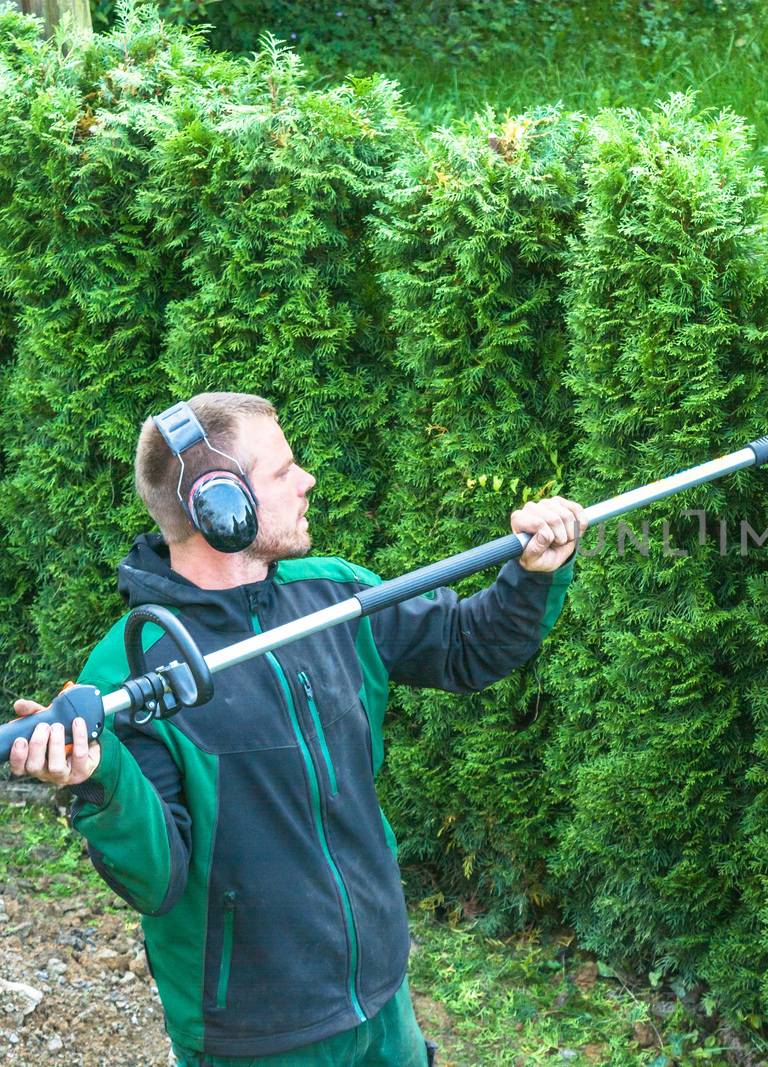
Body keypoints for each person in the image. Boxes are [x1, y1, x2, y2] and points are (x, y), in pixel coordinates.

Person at [6, 392, 587, 1065]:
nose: (307, 478)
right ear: (219, 507)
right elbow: (156, 876)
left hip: (380, 995)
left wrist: (533, 575)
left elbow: (465, 646)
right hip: (257, 1033)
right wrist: (100, 778)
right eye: (283, 471)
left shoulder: (334, 594)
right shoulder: (130, 671)